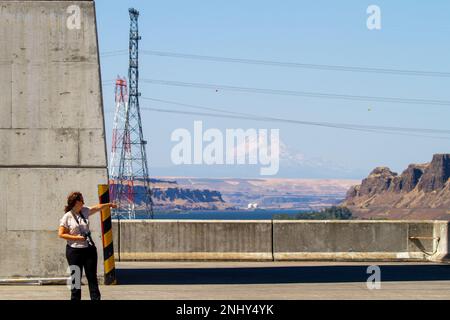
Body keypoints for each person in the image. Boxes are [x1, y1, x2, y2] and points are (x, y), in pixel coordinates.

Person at [58, 191, 117, 300]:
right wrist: (77, 238)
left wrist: (109, 205)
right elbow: (61, 234)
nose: (83, 202)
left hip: (89, 249)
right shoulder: (67, 216)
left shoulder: (85, 211)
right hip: (74, 251)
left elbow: (97, 207)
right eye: (81, 200)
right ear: (76, 202)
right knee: (76, 279)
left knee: (92, 278)